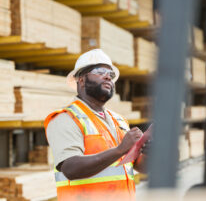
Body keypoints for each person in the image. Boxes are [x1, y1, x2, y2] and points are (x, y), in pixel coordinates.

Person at [44, 49, 148, 201]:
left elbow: (138, 166)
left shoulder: (119, 120)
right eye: (99, 71)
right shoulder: (65, 119)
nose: (108, 76)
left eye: (111, 74)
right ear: (81, 79)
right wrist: (120, 150)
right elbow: (71, 168)